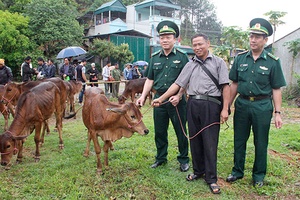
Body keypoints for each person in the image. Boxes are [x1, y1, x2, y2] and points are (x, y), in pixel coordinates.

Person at [152, 33, 230, 194]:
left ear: (208, 43)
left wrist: (225, 109)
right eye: (194, 45)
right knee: (194, 138)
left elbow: (225, 87)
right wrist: (161, 98)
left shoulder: (218, 62)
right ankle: (198, 171)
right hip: (192, 103)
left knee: (209, 141)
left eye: (200, 44)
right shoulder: (190, 64)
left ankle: (211, 178)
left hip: (211, 104)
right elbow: (177, 84)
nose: (197, 48)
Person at [226, 18, 286, 188]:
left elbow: (276, 88)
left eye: (257, 37)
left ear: (265, 40)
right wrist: (227, 106)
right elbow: (234, 84)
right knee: (239, 140)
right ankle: (237, 171)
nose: (253, 39)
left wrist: (278, 113)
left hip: (262, 106)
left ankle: (258, 175)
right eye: (251, 35)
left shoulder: (273, 61)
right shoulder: (240, 59)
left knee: (261, 142)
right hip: (242, 104)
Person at [136, 20, 190, 172]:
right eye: (162, 37)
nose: (165, 40)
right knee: (160, 131)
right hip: (158, 100)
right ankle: (161, 158)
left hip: (176, 101)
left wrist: (179, 95)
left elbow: (185, 80)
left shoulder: (182, 57)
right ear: (159, 39)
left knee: (181, 131)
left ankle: (184, 159)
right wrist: (142, 96)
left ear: (175, 39)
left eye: (168, 37)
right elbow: (150, 79)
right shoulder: (154, 57)